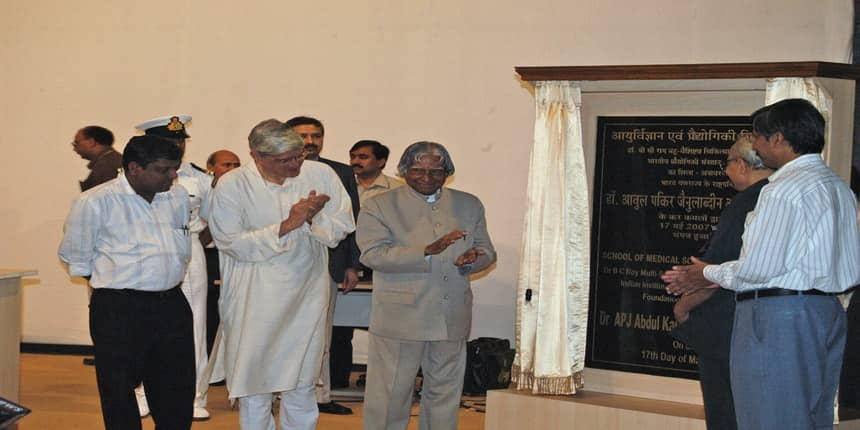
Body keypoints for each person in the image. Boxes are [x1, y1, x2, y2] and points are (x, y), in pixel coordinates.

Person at [664, 98, 860, 429]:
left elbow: (757, 268)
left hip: (779, 315)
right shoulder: (839, 187)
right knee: (811, 417)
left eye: (757, 136)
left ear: (778, 139)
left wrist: (705, 272)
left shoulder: (783, 190)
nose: (754, 144)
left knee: (769, 417)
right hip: (826, 312)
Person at [205, 119, 355, 429]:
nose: (296, 164)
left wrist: (313, 220)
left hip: (307, 289)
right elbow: (230, 242)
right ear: (256, 155)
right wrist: (288, 224)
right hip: (253, 292)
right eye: (284, 160)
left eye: (298, 155)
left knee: (302, 379)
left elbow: (342, 223)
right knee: (254, 379)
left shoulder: (320, 173)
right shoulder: (233, 184)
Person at [357, 141, 496, 430]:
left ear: (448, 172)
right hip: (401, 316)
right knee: (391, 395)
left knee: (445, 393)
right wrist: (425, 251)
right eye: (418, 170)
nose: (427, 177)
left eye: (436, 171)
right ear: (404, 170)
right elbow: (372, 255)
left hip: (451, 314)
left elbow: (487, 250)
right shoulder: (378, 205)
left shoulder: (468, 204)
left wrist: (474, 259)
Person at [58, 135, 194, 430]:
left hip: (172, 303)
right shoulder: (94, 202)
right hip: (120, 307)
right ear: (134, 168)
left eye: (175, 168)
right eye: (163, 169)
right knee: (119, 390)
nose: (172, 176)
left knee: (177, 388)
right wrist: (120, 286)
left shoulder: (177, 196)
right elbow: (76, 258)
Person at [666, 134, 772, 430]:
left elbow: (714, 274)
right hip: (764, 328)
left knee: (726, 415)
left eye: (726, 164)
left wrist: (683, 307)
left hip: (728, 328)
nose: (725, 172)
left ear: (740, 164)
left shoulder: (744, 204)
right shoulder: (778, 197)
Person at [135, 114, 213, 420]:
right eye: (169, 141)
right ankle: (142, 392)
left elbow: (211, 221)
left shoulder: (199, 179)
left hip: (188, 249)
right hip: (144, 251)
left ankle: (194, 395)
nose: (176, 146)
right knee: (142, 324)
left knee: (194, 326)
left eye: (180, 140)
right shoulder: (131, 175)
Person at [286, 116, 360, 415]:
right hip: (281, 263)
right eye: (302, 135)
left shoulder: (338, 171)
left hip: (327, 262)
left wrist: (353, 265)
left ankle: (320, 395)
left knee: (321, 334)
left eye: (316, 135)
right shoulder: (274, 170)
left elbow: (354, 219)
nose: (310, 141)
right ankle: (277, 391)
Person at [203, 149, 241, 353]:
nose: (232, 170)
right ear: (211, 168)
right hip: (209, 256)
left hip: (236, 256)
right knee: (210, 311)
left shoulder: (244, 192)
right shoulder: (204, 190)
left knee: (234, 310)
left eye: (236, 165)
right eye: (226, 165)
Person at [71, 125, 122, 192]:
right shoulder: (112, 160)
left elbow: (106, 199)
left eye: (76, 143)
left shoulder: (106, 165)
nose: (74, 148)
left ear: (91, 142)